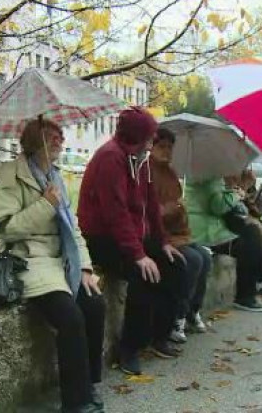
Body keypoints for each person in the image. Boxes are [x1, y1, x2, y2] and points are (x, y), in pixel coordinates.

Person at [0, 119, 105, 413]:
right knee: (70, 316)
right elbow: (6, 230)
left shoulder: (55, 176)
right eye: (53, 135)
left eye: (61, 136)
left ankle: (87, 383)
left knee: (95, 304)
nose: (60, 140)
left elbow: (73, 228)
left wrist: (86, 268)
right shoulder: (7, 176)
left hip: (61, 259)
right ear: (34, 139)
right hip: (29, 260)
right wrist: (46, 204)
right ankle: (76, 403)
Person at [77, 107, 188, 376]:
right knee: (142, 275)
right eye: (149, 137)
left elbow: (150, 205)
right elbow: (115, 214)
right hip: (103, 238)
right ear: (137, 137)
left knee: (175, 266)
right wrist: (139, 255)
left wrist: (161, 242)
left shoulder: (141, 160)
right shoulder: (110, 158)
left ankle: (158, 337)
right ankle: (129, 348)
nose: (153, 142)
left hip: (132, 236)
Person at [149, 127, 212, 342]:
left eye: (169, 147)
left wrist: (179, 210)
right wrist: (167, 210)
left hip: (176, 233)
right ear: (152, 147)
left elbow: (175, 209)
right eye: (161, 147)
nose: (166, 151)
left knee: (205, 256)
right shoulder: (146, 172)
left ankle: (193, 310)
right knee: (192, 260)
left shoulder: (171, 173)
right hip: (158, 235)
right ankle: (178, 315)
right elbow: (147, 211)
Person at [186, 176, 262, 312]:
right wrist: (237, 193)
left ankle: (260, 281)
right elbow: (218, 206)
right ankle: (247, 294)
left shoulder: (207, 175)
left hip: (210, 228)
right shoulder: (210, 177)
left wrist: (232, 190)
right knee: (246, 244)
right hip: (206, 233)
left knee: (251, 233)